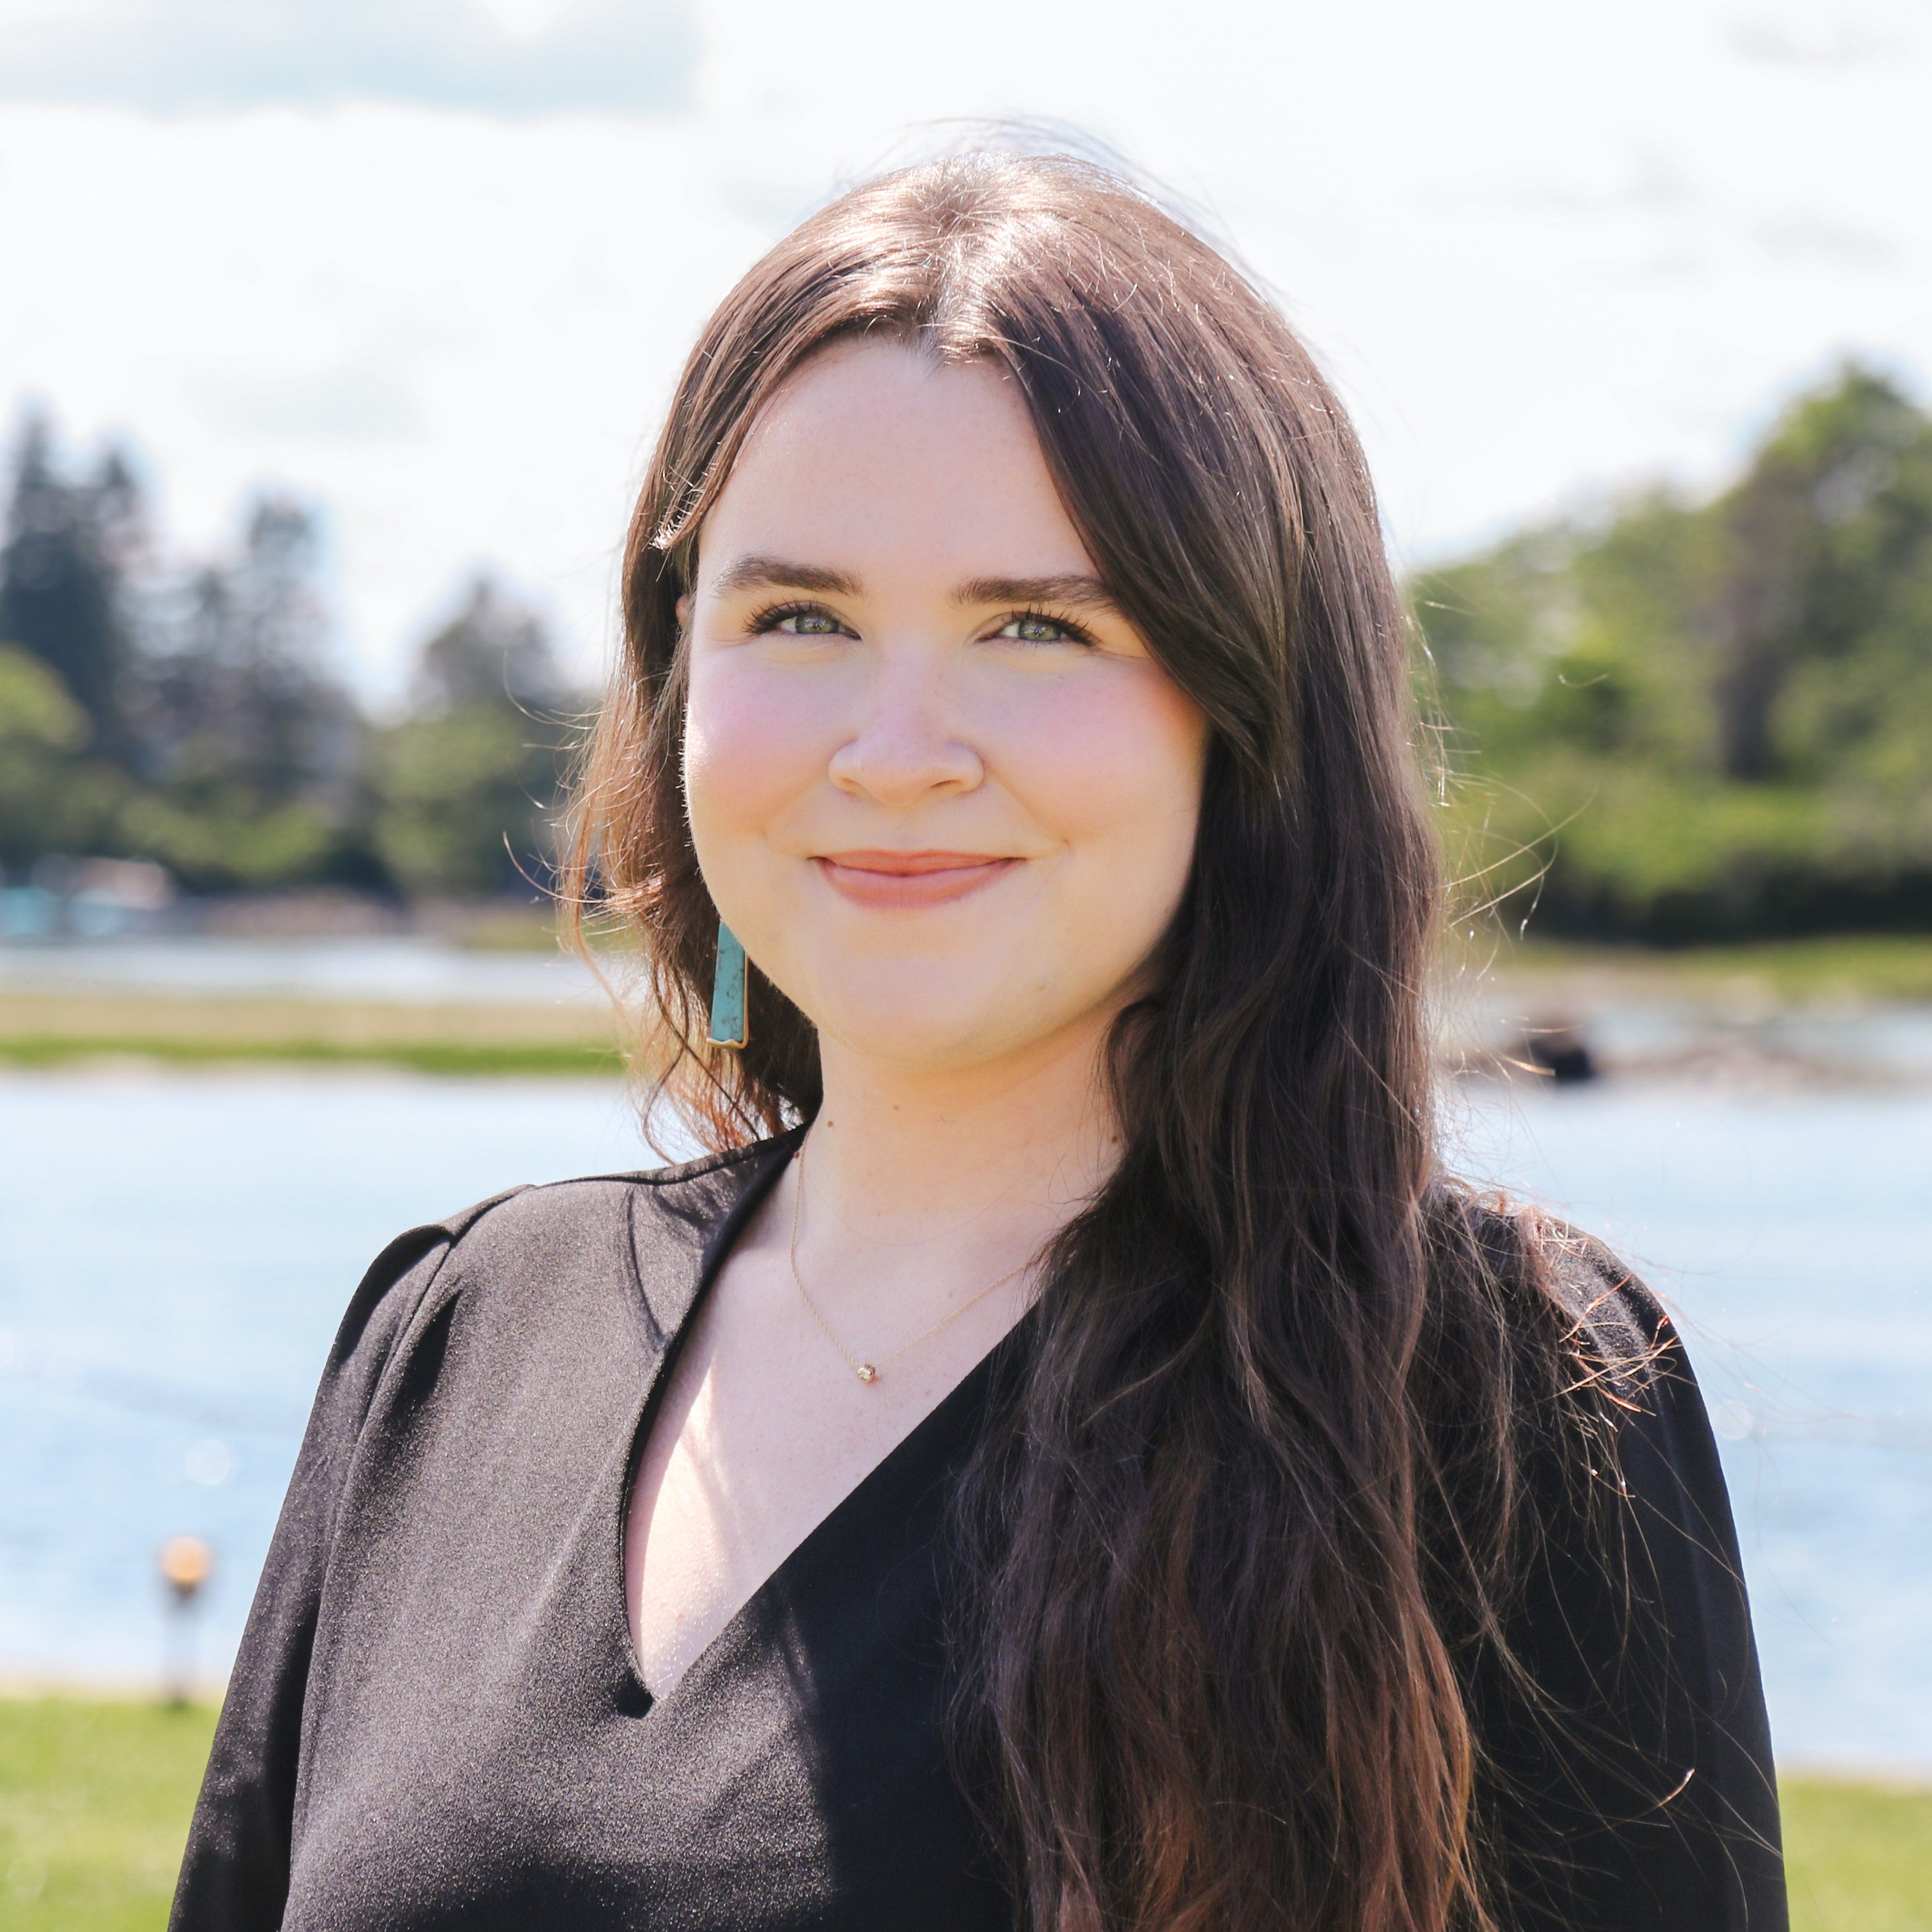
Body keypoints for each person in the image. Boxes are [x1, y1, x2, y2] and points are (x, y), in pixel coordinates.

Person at [170, 152, 1785, 1932]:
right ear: (674, 669)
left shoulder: (1489, 1400)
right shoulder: (458, 1333)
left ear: (1245, 715)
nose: (896, 743)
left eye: (1035, 626)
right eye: (799, 617)